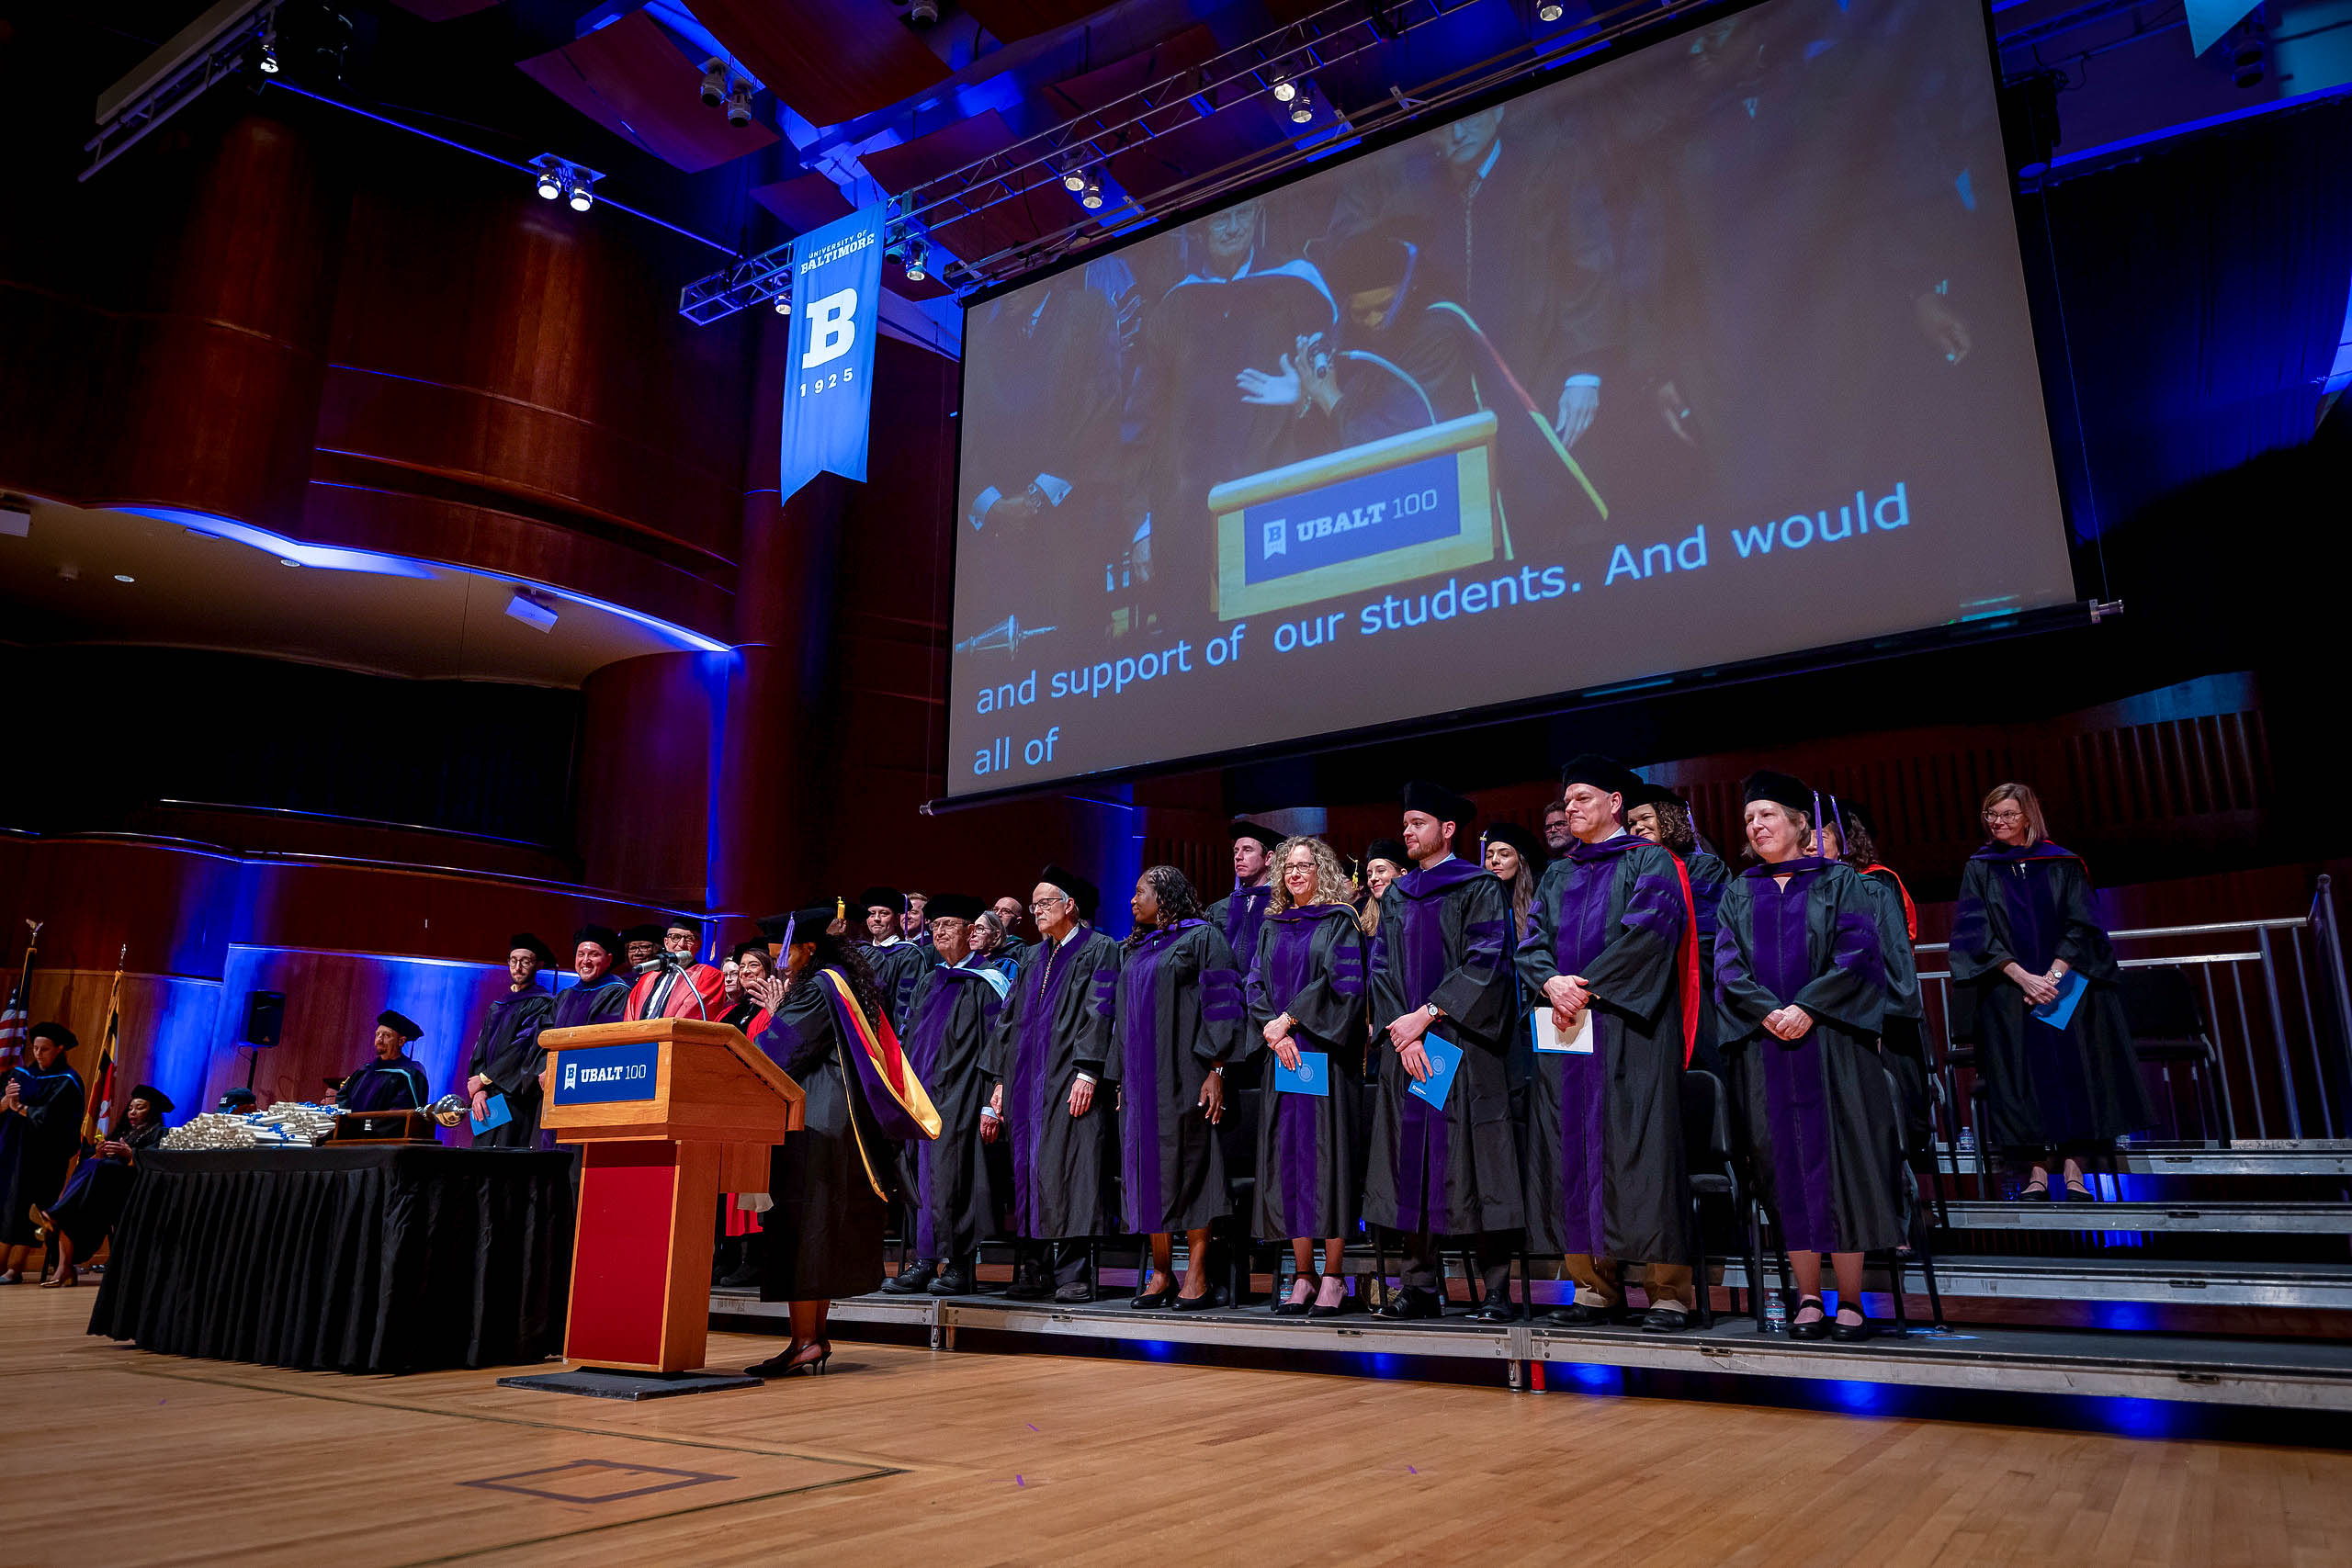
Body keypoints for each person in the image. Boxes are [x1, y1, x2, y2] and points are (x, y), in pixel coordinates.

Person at [1714, 771, 1902, 1341]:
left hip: (1833, 1046)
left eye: (1768, 815)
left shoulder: (1841, 882)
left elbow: (1858, 952)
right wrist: (1769, 1011)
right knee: (1782, 1169)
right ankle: (1807, 1297)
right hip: (1767, 1047)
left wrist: (1809, 1008)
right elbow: (1726, 965)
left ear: (1800, 823)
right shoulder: (1738, 890)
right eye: (1750, 819)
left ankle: (1850, 1300)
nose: (1757, 826)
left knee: (1844, 1166)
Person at [1515, 756, 1700, 1332]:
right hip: (1569, 1034)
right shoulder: (1558, 874)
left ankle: (1667, 1291)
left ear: (1615, 802)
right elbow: (1532, 940)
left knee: (1644, 1151)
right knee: (1572, 1150)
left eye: (1582, 798)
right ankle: (1594, 1287)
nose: (1571, 808)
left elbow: (1649, 935)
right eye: (1566, 800)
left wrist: (1583, 988)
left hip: (1631, 1032)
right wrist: (1550, 981)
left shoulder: (1651, 863)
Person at [741, 905, 940, 1377]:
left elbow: (779, 1053)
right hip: (831, 1117)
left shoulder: (815, 988)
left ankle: (806, 1339)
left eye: (783, 957)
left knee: (803, 1226)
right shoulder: (837, 983)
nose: (779, 966)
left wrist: (772, 1014)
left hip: (816, 1119)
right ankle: (811, 1338)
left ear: (808, 949)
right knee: (816, 1230)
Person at [1364, 782, 1523, 1322]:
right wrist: (1401, 1033)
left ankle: (1497, 1289)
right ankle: (1419, 1285)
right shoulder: (1399, 896)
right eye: (1405, 824)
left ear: (1447, 829)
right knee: (1413, 1162)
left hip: (1464, 1049)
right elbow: (1380, 971)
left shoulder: (1479, 887)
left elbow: (1487, 963)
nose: (1407, 833)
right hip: (1408, 1051)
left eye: (1417, 823)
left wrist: (1425, 1018)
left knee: (1477, 1165)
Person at [1950, 783, 2152, 1201]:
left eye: (2007, 814)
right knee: (2020, 1080)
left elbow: (2083, 925)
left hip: (2069, 989)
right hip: (2009, 991)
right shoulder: (1980, 867)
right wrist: (2024, 977)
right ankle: (2036, 1173)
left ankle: (2077, 1169)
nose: (1998, 823)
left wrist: (2052, 978)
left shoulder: (2063, 863)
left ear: (2028, 816)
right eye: (1991, 815)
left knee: (2076, 1074)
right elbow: (1974, 930)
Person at [984, 864, 1121, 1303]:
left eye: (1045, 903)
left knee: (1074, 1170)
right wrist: (1001, 1081)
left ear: (1070, 906)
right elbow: (1008, 1021)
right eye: (1034, 905)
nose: (1037, 911)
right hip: (1026, 1081)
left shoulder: (1100, 949)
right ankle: (1034, 1268)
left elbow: (1102, 1010)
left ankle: (1074, 1271)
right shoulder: (1031, 957)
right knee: (1029, 1170)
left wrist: (1088, 1070)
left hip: (1068, 1078)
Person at [1247, 836, 1369, 1317]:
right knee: (1289, 1165)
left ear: (1322, 869)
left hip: (1326, 1056)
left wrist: (1290, 1020)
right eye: (1288, 868)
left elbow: (1343, 985)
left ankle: (1334, 1276)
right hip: (1284, 1057)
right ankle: (1302, 1274)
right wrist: (1275, 1033)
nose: (1295, 874)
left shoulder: (1340, 922)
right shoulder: (1271, 925)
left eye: (1305, 865)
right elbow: (1254, 983)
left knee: (1327, 1162)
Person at [1109, 865, 1239, 1310]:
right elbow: (1120, 1023)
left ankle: (1197, 1274)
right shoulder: (1136, 950)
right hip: (1140, 1083)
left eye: (1141, 891)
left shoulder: (1203, 939)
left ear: (1165, 896)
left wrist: (1216, 1069)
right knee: (1145, 1174)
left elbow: (1222, 1005)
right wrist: (1120, 1079)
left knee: (1190, 1170)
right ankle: (1162, 1273)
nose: (1133, 899)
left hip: (1184, 1075)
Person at [887, 896, 1007, 1298]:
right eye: (935, 925)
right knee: (919, 1174)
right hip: (921, 1097)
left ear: (972, 933)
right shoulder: (928, 980)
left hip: (963, 1097)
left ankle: (958, 1263)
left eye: (949, 925)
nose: (939, 932)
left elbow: (999, 1047)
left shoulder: (987, 984)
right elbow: (907, 1039)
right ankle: (924, 1259)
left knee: (956, 1177)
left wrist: (993, 1100)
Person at [1822, 802, 1933, 1171]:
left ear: (1844, 841)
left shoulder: (1877, 883)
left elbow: (1897, 954)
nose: (1810, 846)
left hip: (1883, 1021)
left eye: (1819, 836)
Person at [1628, 784, 1732, 1077]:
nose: (1638, 827)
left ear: (1668, 817)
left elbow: (1711, 935)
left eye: (1646, 818)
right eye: (1632, 823)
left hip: (1694, 985)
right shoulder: (1630, 872)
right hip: (1645, 994)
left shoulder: (1704, 868)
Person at [35, 1083, 172, 1287]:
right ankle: (65, 1268)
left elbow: (157, 1164)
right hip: (103, 1195)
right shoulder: (123, 1133)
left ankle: (55, 1214)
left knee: (104, 1168)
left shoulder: (160, 1133)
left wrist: (130, 1155)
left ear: (152, 1111)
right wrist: (99, 1153)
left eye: (140, 1107)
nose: (132, 1112)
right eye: (131, 1108)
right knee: (91, 1165)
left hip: (134, 1193)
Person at [0, 1023, 85, 1284]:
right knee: (4, 1206)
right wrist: (5, 1104)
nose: (38, 1053)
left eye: (45, 1049)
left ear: (59, 1049)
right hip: (10, 1151)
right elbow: (3, 1105)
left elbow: (58, 1121)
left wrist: (21, 1108)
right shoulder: (18, 1073)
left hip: (43, 1159)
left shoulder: (68, 1082)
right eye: (35, 1048)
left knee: (29, 1210)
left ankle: (16, 1268)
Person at [466, 934, 559, 1148]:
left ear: (538, 965)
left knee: (506, 1160)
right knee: (480, 1158)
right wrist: (479, 1090)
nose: (517, 967)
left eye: (525, 961)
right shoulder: (498, 1005)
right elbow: (480, 1048)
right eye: (513, 960)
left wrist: (485, 1078)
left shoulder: (541, 1003)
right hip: (487, 1097)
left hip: (514, 1096)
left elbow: (524, 1046)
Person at [855, 887, 932, 1030]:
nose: (877, 918)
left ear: (896, 919)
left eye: (884, 913)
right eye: (872, 914)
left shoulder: (908, 954)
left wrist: (900, 1039)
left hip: (889, 1034)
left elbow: (907, 1003)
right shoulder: (859, 952)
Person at [338, 1010, 431, 1112]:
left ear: (401, 1041)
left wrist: (370, 1125)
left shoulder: (410, 1074)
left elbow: (402, 1113)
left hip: (387, 1128)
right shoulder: (364, 1071)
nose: (379, 1040)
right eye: (377, 1034)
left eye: (386, 1035)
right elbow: (342, 1097)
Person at [551, 924, 631, 1032]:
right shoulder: (565, 995)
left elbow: (605, 1036)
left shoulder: (617, 992)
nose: (585, 961)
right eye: (580, 954)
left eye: (593, 955)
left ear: (608, 959)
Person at [1481, 819, 1546, 942]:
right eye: (1489, 856)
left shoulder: (1539, 898)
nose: (1494, 860)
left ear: (1521, 862)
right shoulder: (1478, 902)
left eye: (1504, 854)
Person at [969, 912, 1023, 982]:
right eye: (971, 929)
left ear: (996, 935)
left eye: (979, 929)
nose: (973, 934)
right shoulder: (962, 962)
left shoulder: (1006, 965)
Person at [990, 896, 1035, 970]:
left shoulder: (1020, 950)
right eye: (995, 910)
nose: (998, 914)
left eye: (1006, 911)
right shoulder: (978, 943)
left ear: (1017, 921)